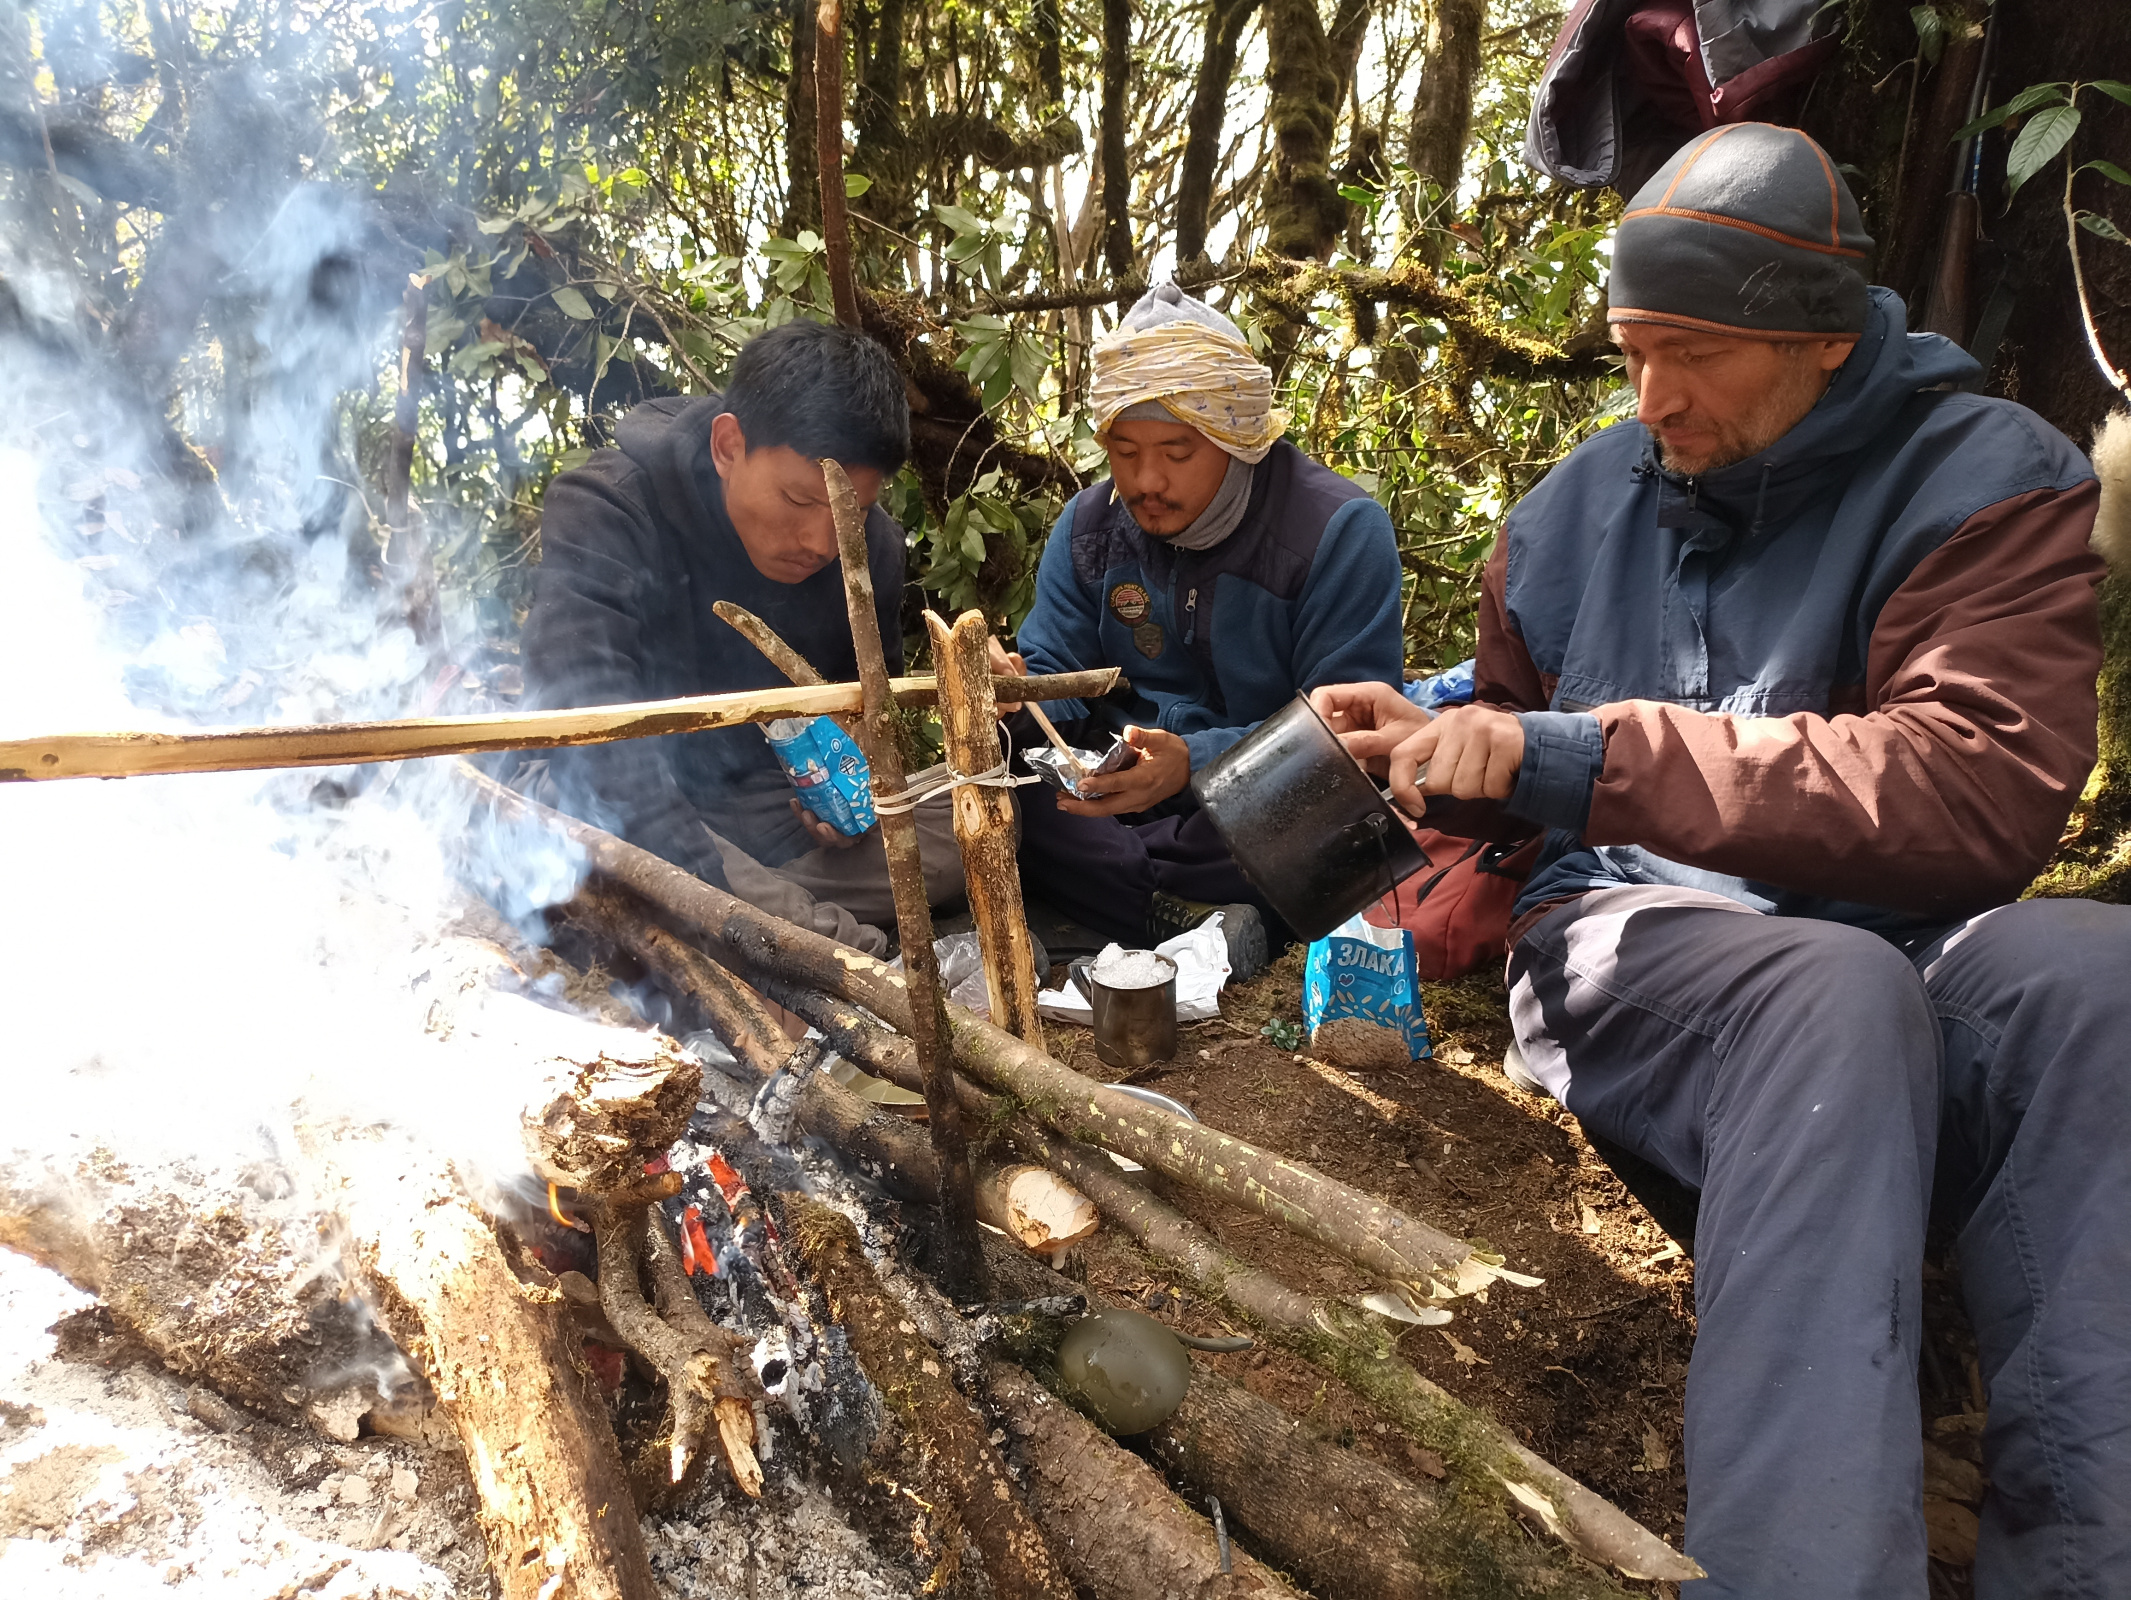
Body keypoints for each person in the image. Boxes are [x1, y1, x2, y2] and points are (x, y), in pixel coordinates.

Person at [1314, 122, 2124, 1598]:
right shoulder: (1567, 513)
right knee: (1827, 997)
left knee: (2091, 977)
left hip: (1906, 938)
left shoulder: (1984, 483)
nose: (1649, 396)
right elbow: (1506, 728)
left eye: (1691, 352)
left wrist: (1576, 752)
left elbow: (1972, 787)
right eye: (1628, 347)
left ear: (1818, 340)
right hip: (1638, 947)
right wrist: (1431, 731)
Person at [996, 285, 1405, 973]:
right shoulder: (1089, 527)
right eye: (1124, 452)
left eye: (1176, 453)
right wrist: (1018, 696)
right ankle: (1189, 917)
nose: (1146, 480)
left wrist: (1196, 763)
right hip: (1118, 792)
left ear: (1236, 437)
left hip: (1253, 800)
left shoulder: (1335, 529)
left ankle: (1135, 900)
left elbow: (1350, 728)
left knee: (1342, 815)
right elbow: (1053, 669)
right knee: (998, 776)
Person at [522, 320, 963, 955]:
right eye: (796, 499)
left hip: (769, 808)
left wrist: (844, 800)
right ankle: (818, 943)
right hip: (627, 793)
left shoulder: (872, 552)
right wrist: (699, 873)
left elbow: (866, 721)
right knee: (578, 814)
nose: (820, 543)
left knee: (975, 819)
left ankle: (758, 919)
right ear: (729, 446)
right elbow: (581, 722)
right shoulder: (610, 508)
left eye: (849, 513)